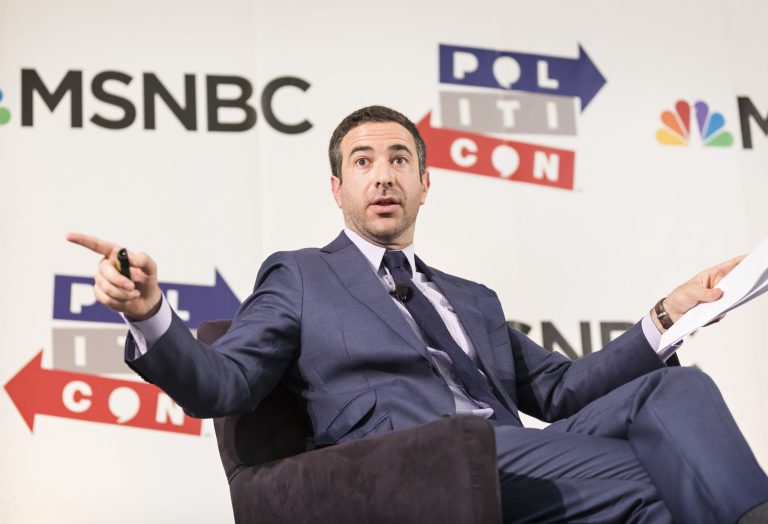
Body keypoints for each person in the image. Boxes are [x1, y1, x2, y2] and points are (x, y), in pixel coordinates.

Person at [68, 105, 768, 523]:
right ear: (337, 189)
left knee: (675, 391)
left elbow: (559, 393)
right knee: (669, 476)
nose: (383, 174)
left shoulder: (471, 298)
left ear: (425, 185)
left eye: (400, 159)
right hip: (419, 464)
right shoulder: (302, 276)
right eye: (364, 161)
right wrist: (151, 313)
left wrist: (669, 312)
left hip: (515, 455)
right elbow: (220, 385)